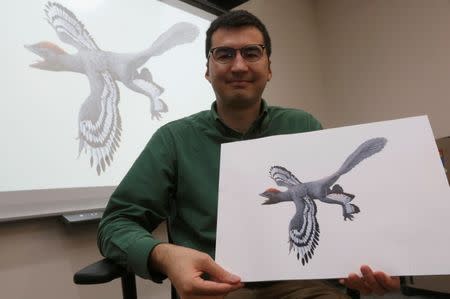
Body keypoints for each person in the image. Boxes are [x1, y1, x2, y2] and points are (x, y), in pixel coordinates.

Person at [97, 9, 400, 299]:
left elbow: (334, 220)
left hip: (302, 285)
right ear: (207, 70)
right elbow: (116, 224)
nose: (239, 66)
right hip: (217, 288)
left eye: (252, 53)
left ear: (269, 68)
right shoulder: (173, 140)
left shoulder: (303, 125)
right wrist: (162, 255)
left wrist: (366, 259)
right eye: (224, 54)